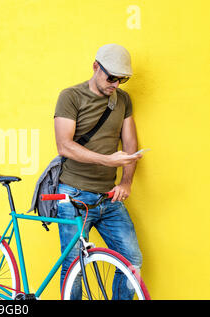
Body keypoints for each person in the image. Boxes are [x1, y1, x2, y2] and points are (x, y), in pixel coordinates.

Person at [54, 44, 143, 300]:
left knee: (132, 261)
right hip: (73, 196)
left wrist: (126, 181)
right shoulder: (70, 96)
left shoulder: (123, 100)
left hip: (108, 198)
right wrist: (108, 161)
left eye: (122, 79)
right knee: (74, 266)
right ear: (95, 67)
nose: (116, 84)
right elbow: (64, 145)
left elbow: (129, 145)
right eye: (111, 77)